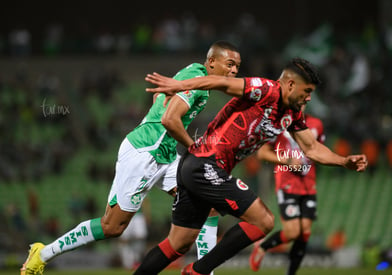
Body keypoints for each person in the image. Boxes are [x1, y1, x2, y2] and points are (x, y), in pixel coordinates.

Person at [20, 40, 241, 275]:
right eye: (229, 64)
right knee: (112, 227)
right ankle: (42, 254)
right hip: (144, 153)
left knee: (208, 204)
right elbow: (170, 120)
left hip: (164, 155)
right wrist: (195, 148)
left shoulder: (195, 79)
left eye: (237, 66)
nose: (234, 71)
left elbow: (162, 102)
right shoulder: (196, 78)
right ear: (211, 62)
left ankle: (205, 271)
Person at [134, 57, 368, 275]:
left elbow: (312, 148)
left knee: (178, 244)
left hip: (196, 167)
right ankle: (198, 272)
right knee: (263, 221)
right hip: (205, 163)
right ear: (289, 84)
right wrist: (179, 85)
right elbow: (222, 82)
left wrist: (343, 161)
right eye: (306, 92)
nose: (308, 98)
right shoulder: (266, 89)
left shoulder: (292, 115)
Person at [248, 105, 325, 274]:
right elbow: (262, 154)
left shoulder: (316, 124)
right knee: (292, 232)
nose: (302, 102)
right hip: (286, 183)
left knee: (305, 231)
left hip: (308, 184)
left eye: (305, 99)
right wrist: (287, 160)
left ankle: (290, 273)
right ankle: (263, 247)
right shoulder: (278, 124)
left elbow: (320, 150)